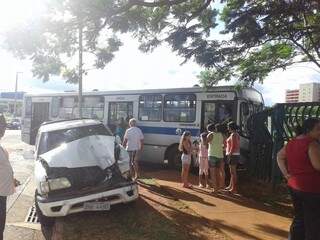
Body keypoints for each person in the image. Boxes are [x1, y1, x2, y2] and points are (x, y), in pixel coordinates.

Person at [277, 118, 320, 240]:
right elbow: (318, 166)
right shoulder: (312, 143)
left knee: (299, 218)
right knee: (314, 221)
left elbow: (279, 156)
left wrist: (286, 175)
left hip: (294, 186)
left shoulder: (291, 142)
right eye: (318, 129)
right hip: (312, 188)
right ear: (308, 130)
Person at [0, 115, 19, 240]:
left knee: (1, 225)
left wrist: (12, 179)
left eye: (4, 126)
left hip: (3, 193)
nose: (4, 130)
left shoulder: (1, 147)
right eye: (2, 127)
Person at [207, 123, 225, 193]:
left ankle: (215, 190)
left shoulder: (211, 134)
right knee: (218, 173)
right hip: (220, 156)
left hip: (212, 155)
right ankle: (218, 188)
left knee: (212, 173)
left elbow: (205, 143)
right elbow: (224, 144)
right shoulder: (222, 135)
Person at [225, 121, 240, 193]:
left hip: (233, 155)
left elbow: (233, 146)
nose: (227, 128)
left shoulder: (233, 135)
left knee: (233, 172)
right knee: (232, 172)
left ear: (231, 127)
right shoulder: (236, 134)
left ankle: (234, 188)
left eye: (228, 127)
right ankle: (231, 186)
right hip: (235, 154)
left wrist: (230, 153)